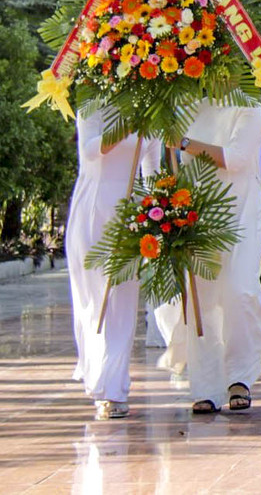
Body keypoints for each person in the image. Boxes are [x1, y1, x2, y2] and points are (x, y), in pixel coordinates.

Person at [156, 99, 261, 414]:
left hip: (242, 213)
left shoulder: (252, 110)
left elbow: (234, 159)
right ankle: (205, 386)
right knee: (201, 302)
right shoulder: (189, 106)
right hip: (199, 211)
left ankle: (240, 377)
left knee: (239, 290)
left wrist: (184, 142)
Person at [67, 112, 160, 420]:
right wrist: (128, 127)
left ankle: (115, 388)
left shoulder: (152, 113)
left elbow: (153, 173)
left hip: (130, 213)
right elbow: (90, 150)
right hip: (93, 206)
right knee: (93, 300)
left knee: (122, 299)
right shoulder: (92, 105)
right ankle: (97, 374)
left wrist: (160, 212)